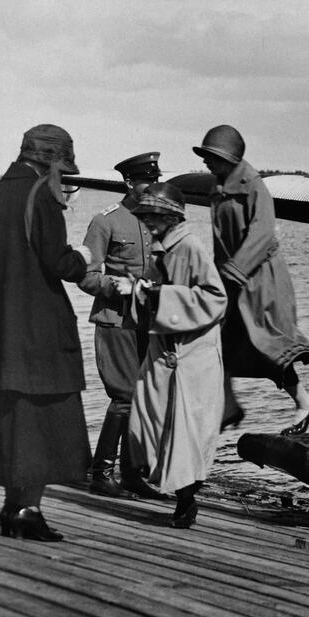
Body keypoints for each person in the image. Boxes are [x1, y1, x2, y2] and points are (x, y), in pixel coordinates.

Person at [0, 125, 94, 542]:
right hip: (36, 335)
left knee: (12, 422)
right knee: (41, 421)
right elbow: (58, 263)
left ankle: (11, 508)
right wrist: (84, 258)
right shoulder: (41, 196)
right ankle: (28, 510)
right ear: (53, 163)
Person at [193, 125, 309, 435]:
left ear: (228, 157)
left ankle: (303, 404)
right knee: (220, 342)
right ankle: (229, 408)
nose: (206, 162)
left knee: (267, 345)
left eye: (211, 156)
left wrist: (232, 274)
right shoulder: (219, 186)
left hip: (261, 280)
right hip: (235, 280)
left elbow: (263, 235)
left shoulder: (253, 187)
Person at [127, 183, 228, 528]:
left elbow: (216, 298)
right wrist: (142, 292)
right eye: (145, 216)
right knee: (147, 416)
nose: (147, 223)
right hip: (166, 351)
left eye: (153, 216)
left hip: (191, 355)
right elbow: (155, 295)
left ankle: (186, 501)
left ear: (171, 216)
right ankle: (170, 484)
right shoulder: (164, 248)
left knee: (184, 432)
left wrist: (159, 296)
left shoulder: (190, 247)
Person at [77, 151, 169, 500]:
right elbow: (85, 276)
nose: (152, 189)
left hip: (150, 323)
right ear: (129, 182)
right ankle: (101, 472)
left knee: (145, 396)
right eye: (146, 182)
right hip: (116, 321)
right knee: (124, 396)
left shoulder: (158, 219)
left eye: (156, 182)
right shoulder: (106, 222)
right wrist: (114, 288)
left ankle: (132, 475)